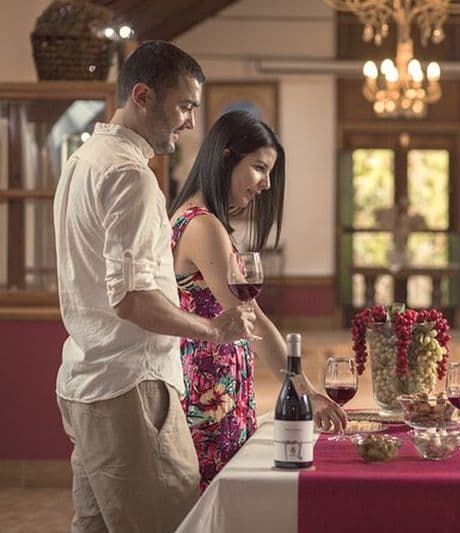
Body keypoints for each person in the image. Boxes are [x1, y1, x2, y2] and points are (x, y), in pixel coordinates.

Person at [53, 41, 256, 532]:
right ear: (142, 96)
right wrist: (214, 329)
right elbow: (133, 300)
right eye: (184, 106)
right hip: (131, 390)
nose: (191, 122)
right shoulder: (131, 177)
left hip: (85, 381)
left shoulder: (81, 162)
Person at [168, 110, 347, 489]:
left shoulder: (192, 218)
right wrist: (305, 391)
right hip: (209, 393)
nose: (266, 184)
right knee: (217, 499)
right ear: (226, 158)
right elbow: (251, 317)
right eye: (259, 168)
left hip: (212, 385)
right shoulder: (203, 225)